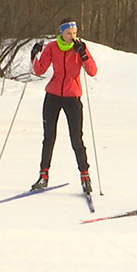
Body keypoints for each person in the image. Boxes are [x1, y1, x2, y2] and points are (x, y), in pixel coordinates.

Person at [30, 19, 98, 194]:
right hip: (52, 96)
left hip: (72, 96)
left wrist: (83, 55)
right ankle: (43, 175)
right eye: (69, 33)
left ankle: (85, 176)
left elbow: (92, 71)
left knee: (76, 138)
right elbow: (39, 70)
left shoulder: (79, 47)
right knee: (48, 137)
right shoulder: (52, 47)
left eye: (74, 33)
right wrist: (34, 56)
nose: (72, 36)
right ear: (61, 33)